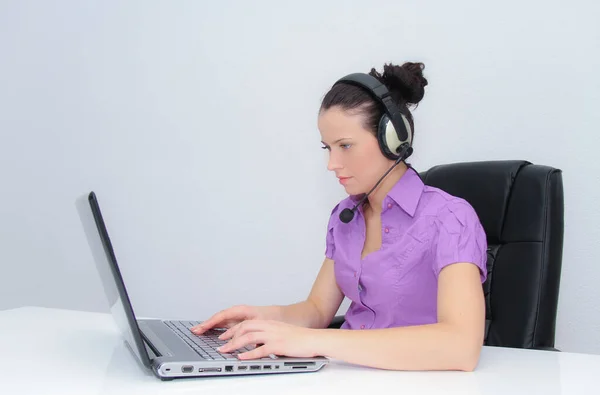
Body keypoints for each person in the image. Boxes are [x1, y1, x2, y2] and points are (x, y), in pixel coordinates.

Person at [191, 61, 488, 372]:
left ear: (393, 139)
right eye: (328, 147)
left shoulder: (451, 218)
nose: (331, 164)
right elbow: (317, 309)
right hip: (347, 380)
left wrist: (315, 341)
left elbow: (461, 346)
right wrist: (258, 319)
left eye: (345, 146)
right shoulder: (346, 217)